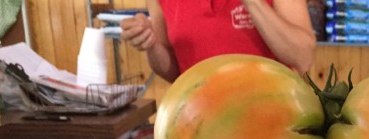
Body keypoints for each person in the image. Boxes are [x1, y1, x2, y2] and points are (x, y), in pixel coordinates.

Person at [120, 0, 317, 81]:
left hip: (273, 124)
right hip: (198, 125)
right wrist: (151, 44)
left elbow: (303, 57)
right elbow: (175, 72)